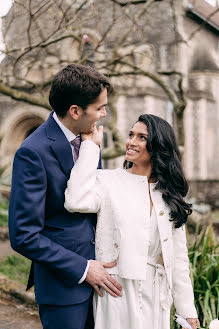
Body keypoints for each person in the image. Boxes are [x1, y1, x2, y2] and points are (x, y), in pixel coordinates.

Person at [8, 63, 122, 329]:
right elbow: (24, 235)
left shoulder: (90, 139)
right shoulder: (32, 152)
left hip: (103, 284)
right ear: (75, 111)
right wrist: (83, 268)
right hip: (64, 291)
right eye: (99, 108)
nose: (104, 114)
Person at [64, 114, 201, 329]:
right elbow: (75, 200)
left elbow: (178, 260)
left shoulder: (169, 196)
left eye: (141, 137)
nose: (131, 142)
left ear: (158, 145)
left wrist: (187, 312)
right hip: (116, 291)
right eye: (131, 135)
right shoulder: (108, 181)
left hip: (157, 296)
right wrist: (90, 147)